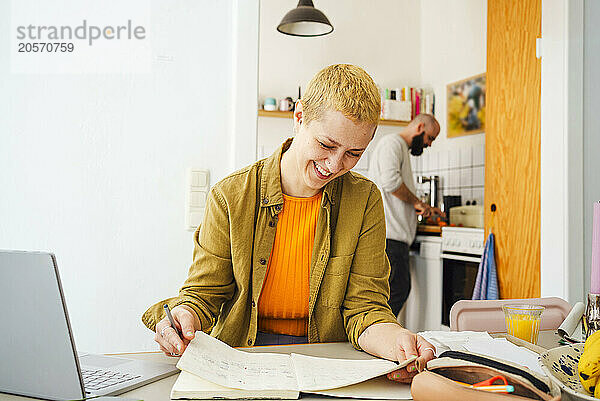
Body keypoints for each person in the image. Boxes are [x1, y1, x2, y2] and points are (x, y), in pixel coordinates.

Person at [142, 64, 435, 383]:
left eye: (353, 153)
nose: (335, 166)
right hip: (242, 356)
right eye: (326, 145)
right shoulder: (231, 196)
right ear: (299, 118)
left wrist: (397, 343)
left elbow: (365, 308)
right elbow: (205, 293)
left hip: (325, 361)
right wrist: (186, 316)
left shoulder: (364, 200)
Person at [367, 114, 443, 317]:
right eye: (430, 138)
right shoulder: (392, 144)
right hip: (390, 237)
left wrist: (422, 206)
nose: (428, 144)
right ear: (419, 127)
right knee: (397, 292)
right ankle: (378, 337)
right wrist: (417, 202)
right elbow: (391, 183)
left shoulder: (399, 148)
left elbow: (397, 189)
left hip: (394, 238)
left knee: (395, 292)